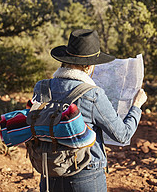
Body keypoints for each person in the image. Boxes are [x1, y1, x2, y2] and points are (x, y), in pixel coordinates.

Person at [32, 28, 147, 192]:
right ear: (88, 67)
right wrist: (136, 106)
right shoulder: (93, 95)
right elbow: (123, 135)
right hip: (86, 173)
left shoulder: (42, 87)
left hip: (50, 170)